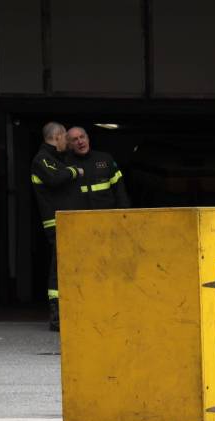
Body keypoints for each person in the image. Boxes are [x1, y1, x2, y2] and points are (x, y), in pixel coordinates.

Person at [31, 121, 83, 331]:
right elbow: (55, 179)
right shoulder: (42, 159)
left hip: (68, 222)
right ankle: (57, 315)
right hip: (57, 223)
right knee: (58, 268)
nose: (68, 143)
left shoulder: (56, 158)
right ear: (58, 136)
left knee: (69, 266)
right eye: (66, 138)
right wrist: (74, 172)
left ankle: (72, 311)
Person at [66, 127, 129, 209]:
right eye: (75, 139)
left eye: (82, 137)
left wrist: (123, 210)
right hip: (79, 214)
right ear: (69, 145)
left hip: (106, 213)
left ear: (88, 138)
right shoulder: (65, 163)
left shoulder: (105, 158)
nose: (80, 142)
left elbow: (119, 189)